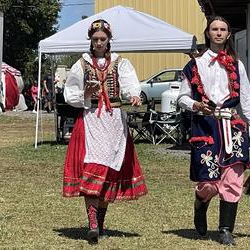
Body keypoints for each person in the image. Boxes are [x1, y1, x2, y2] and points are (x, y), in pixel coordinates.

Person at [177, 16, 250, 246]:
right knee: (208, 182)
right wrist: (195, 105)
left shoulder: (238, 65)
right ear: (208, 33)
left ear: (228, 34)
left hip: (232, 126)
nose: (218, 33)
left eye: (223, 29)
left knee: (233, 178)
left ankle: (225, 229)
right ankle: (200, 202)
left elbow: (246, 99)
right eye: (214, 29)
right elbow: (181, 98)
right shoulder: (194, 65)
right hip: (205, 124)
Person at [62, 19, 148, 244]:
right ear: (90, 40)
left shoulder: (121, 63)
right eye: (95, 39)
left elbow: (131, 86)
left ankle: (99, 223)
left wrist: (133, 95)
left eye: (103, 39)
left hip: (114, 122)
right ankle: (92, 222)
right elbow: (70, 94)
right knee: (92, 167)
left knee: (110, 170)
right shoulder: (81, 64)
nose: (99, 42)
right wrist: (86, 94)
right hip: (91, 119)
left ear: (109, 40)